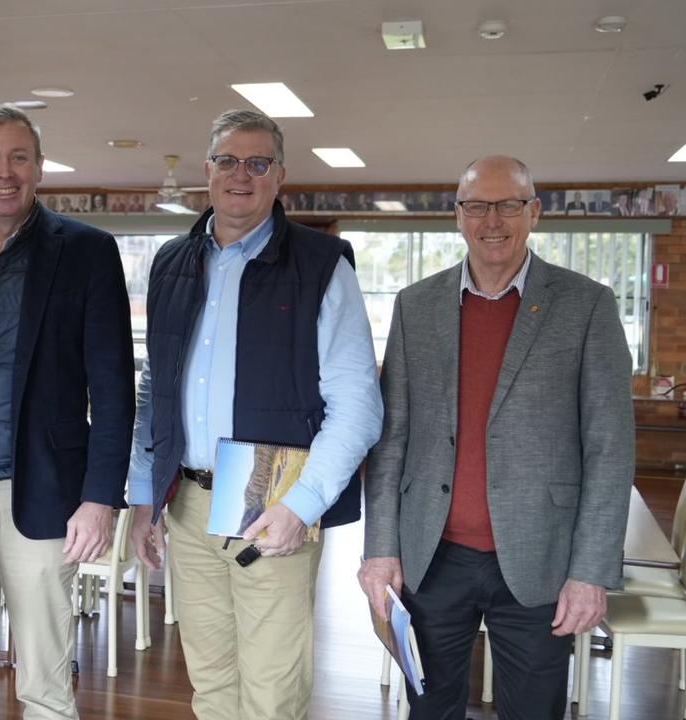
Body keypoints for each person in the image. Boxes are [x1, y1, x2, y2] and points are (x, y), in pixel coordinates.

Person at [127, 108, 383, 719]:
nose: (241, 174)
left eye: (258, 162)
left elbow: (359, 408)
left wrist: (302, 505)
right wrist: (143, 497)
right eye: (227, 160)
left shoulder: (322, 266)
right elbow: (154, 388)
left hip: (274, 506)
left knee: (271, 694)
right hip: (186, 507)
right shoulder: (170, 263)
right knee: (211, 687)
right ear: (206, 170)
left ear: (279, 175)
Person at [358, 156, 634, 720]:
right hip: (432, 558)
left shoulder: (586, 305)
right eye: (477, 205)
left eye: (508, 204)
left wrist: (591, 571)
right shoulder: (417, 305)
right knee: (430, 707)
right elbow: (392, 440)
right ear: (458, 216)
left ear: (533, 212)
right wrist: (380, 549)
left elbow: (610, 447)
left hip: (543, 560)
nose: (493, 219)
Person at [0, 104, 135, 720]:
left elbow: (114, 388)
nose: (4, 172)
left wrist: (100, 498)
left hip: (42, 493)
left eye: (18, 157)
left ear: (39, 167)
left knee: (44, 678)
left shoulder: (87, 251)